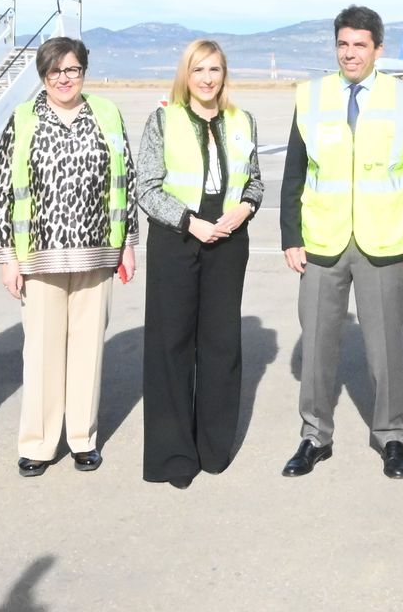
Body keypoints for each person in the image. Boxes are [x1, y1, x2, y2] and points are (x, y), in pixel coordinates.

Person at [279, 5, 403, 479]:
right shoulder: (312, 96)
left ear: (377, 50)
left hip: (381, 239)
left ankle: (390, 436)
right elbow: (295, 172)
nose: (350, 53)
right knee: (318, 345)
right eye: (343, 44)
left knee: (386, 346)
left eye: (360, 44)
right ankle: (314, 436)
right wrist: (290, 235)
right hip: (322, 240)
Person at [0, 37, 139, 477]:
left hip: (96, 252)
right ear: (43, 76)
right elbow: (3, 191)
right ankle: (37, 443)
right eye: (55, 71)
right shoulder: (23, 120)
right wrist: (7, 258)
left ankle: (82, 438)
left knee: (88, 349)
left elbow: (124, 179)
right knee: (41, 351)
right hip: (40, 255)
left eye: (72, 69)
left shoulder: (106, 114)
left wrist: (128, 240)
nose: (64, 79)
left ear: (83, 72)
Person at [135, 40, 262, 488]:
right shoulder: (163, 120)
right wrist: (191, 223)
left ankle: (213, 446)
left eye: (215, 70)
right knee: (172, 346)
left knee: (221, 345)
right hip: (177, 240)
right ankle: (174, 455)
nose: (207, 79)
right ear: (185, 75)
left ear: (225, 75)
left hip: (228, 242)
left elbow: (256, 184)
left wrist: (243, 210)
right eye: (198, 70)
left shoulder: (241, 121)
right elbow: (146, 189)